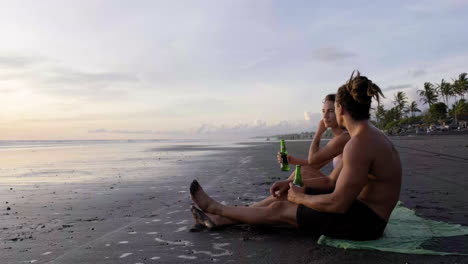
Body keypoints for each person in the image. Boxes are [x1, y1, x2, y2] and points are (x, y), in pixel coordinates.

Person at [190, 71, 402, 240]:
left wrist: (301, 197)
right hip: (364, 214)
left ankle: (216, 210)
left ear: (340, 109)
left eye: (331, 109)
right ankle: (220, 217)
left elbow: (338, 204)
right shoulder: (368, 137)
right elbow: (331, 181)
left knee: (281, 209)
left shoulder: (359, 144)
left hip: (365, 224)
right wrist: (297, 188)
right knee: (285, 203)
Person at [190, 95, 349, 228]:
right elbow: (314, 165)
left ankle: (223, 214)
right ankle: (230, 216)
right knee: (302, 173)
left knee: (288, 191)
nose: (325, 116)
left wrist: (319, 133)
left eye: (330, 111)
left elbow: (325, 175)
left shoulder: (343, 139)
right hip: (335, 190)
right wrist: (291, 160)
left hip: (338, 196)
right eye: (323, 111)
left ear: (339, 112)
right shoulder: (338, 140)